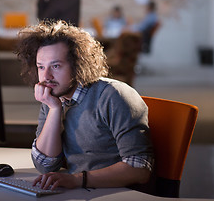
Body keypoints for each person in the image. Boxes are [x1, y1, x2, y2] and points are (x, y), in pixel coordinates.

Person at [15, 20, 154, 191]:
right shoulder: (53, 98)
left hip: (117, 193)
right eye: (41, 67)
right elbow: (45, 165)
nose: (46, 76)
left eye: (56, 66)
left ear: (78, 65)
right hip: (80, 190)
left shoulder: (113, 96)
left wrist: (76, 180)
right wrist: (54, 110)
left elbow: (139, 169)